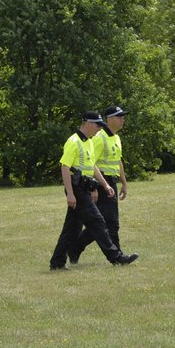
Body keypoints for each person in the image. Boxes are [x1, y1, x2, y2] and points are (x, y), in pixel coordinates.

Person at [49, 111, 139, 270]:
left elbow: (92, 167)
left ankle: (57, 263)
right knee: (97, 221)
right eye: (97, 125)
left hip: (85, 187)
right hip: (76, 188)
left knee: (72, 228)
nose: (99, 129)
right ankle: (116, 257)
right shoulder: (73, 141)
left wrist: (104, 185)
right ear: (87, 123)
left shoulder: (89, 141)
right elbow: (65, 167)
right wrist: (70, 193)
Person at [69, 105, 132, 263]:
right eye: (119, 117)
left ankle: (76, 247)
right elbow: (92, 164)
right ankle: (118, 256)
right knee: (110, 222)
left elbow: (118, 161)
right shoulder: (99, 137)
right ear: (109, 120)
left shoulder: (116, 138)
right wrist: (95, 187)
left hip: (111, 182)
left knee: (102, 221)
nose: (122, 119)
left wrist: (123, 182)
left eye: (123, 116)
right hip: (101, 181)